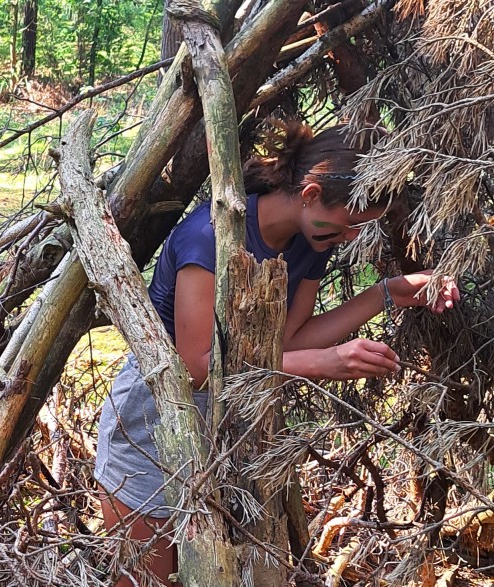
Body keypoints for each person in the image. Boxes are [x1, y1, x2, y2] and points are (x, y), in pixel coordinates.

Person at [94, 118, 459, 587]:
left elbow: (285, 343)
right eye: (349, 226)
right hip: (154, 424)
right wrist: (321, 365)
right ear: (310, 194)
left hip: (230, 431)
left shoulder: (312, 241)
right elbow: (195, 366)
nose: (348, 238)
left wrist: (386, 293)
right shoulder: (207, 239)